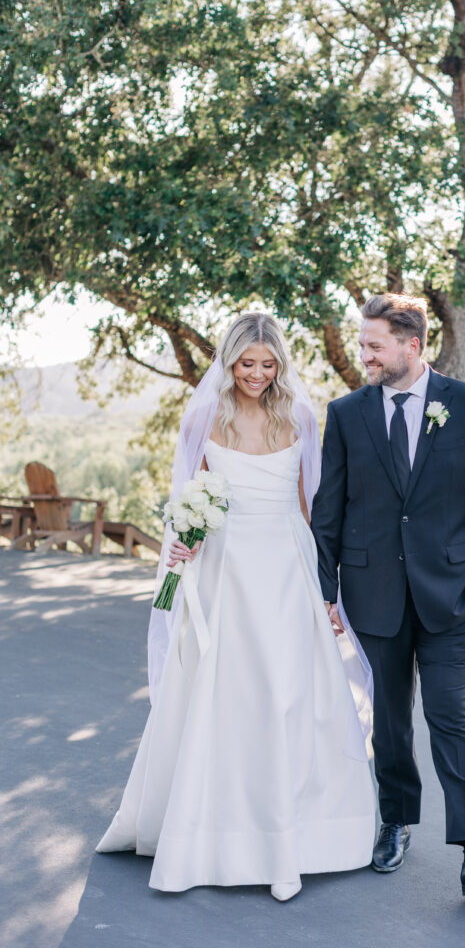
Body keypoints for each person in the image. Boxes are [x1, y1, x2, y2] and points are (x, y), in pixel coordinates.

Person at [97, 313, 376, 902]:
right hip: (226, 569)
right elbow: (189, 498)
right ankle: (216, 835)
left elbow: (310, 506)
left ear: (281, 365)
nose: (256, 374)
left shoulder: (299, 414)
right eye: (246, 364)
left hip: (286, 565)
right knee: (228, 694)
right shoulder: (205, 416)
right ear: (228, 362)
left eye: (267, 364)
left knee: (291, 692)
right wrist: (185, 538)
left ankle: (295, 840)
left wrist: (329, 591)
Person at [311, 292, 465, 897]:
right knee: (391, 721)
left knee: (450, 713)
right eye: (362, 345)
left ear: (413, 345)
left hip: (454, 593)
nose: (365, 356)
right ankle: (396, 821)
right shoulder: (348, 414)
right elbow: (329, 509)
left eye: (374, 346)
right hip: (371, 590)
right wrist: (325, 589)